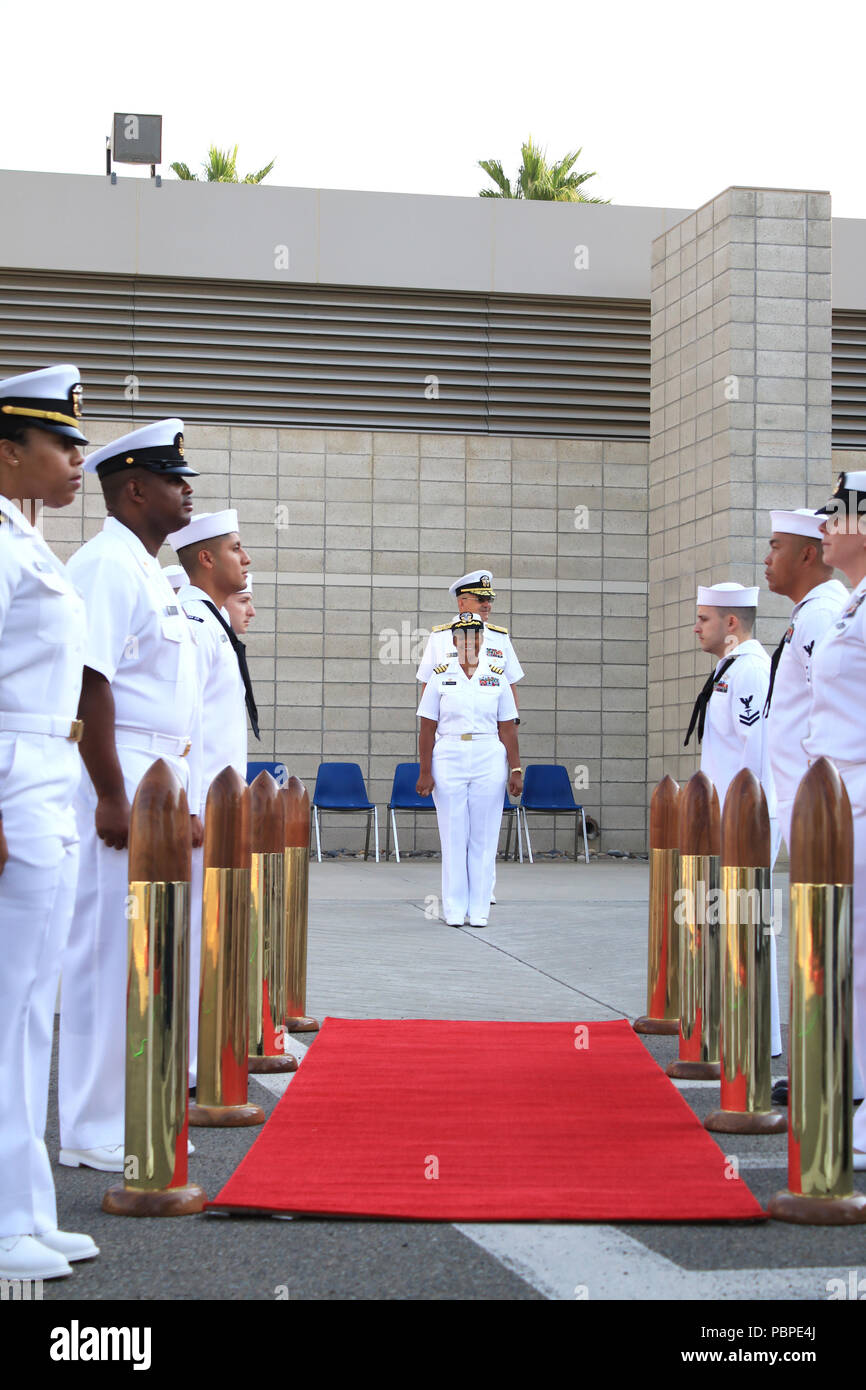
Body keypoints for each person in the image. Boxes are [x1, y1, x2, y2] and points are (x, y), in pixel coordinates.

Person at [58, 419, 203, 1173]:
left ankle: (126, 1104)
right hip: (118, 781)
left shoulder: (147, 569)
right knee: (106, 952)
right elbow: (91, 682)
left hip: (153, 779)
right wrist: (111, 795)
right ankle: (89, 1123)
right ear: (136, 489)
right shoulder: (108, 566)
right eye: (176, 481)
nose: (188, 492)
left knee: (145, 952)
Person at [0, 364, 98, 1280]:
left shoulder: (26, 539)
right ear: (8, 451)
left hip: (44, 773)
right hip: (9, 775)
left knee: (32, 1009)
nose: (77, 458)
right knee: (5, 1010)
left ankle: (24, 1209)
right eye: (61, 443)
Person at [167, 510, 254, 1084]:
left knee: (216, 926)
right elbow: (186, 724)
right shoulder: (196, 622)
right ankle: (193, 1063)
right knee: (199, 928)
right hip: (204, 808)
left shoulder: (213, 622)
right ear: (205, 558)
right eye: (236, 549)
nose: (245, 559)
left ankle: (207, 1049)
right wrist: (194, 805)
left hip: (221, 807)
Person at [685, 581, 781, 1055]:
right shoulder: (731, 668)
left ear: (731, 623)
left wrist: (749, 817)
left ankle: (760, 1035)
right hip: (725, 815)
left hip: (747, 816)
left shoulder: (752, 671)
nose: (696, 627)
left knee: (749, 923)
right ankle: (748, 1027)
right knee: (732, 924)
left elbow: (757, 753)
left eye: (704, 619)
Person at [805, 471, 866, 1169]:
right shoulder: (852, 604)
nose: (826, 525)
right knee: (848, 954)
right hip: (841, 802)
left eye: (838, 515)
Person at [417, 614, 522, 927]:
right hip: (448, 753)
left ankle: (479, 910)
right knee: (453, 833)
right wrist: (425, 771)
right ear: (454, 641)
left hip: (488, 753)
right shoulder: (440, 676)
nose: (468, 642)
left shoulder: (496, 676)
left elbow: (508, 728)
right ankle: (453, 908)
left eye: (474, 636)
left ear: (482, 640)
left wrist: (515, 768)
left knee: (485, 835)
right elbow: (426, 727)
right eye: (462, 636)